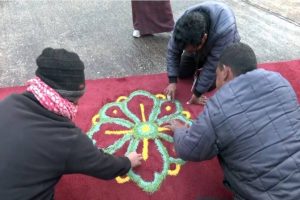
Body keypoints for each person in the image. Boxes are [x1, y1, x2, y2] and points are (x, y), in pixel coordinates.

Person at [0, 48, 143, 200]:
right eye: (78, 97)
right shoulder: (67, 139)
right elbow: (104, 166)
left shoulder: (10, 101)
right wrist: (127, 162)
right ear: (70, 97)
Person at [167, 42, 300, 199]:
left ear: (225, 72)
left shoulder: (219, 106)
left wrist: (180, 130)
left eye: (216, 75)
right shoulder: (281, 82)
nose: (216, 83)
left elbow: (188, 149)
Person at [165, 1, 240, 105]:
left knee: (208, 85)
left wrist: (197, 94)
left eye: (190, 50)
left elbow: (212, 65)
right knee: (181, 72)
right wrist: (172, 81)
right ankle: (198, 63)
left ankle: (207, 69)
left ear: (204, 38)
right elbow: (173, 51)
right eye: (186, 50)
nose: (187, 52)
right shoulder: (182, 25)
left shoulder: (225, 30)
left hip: (223, 50)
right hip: (201, 46)